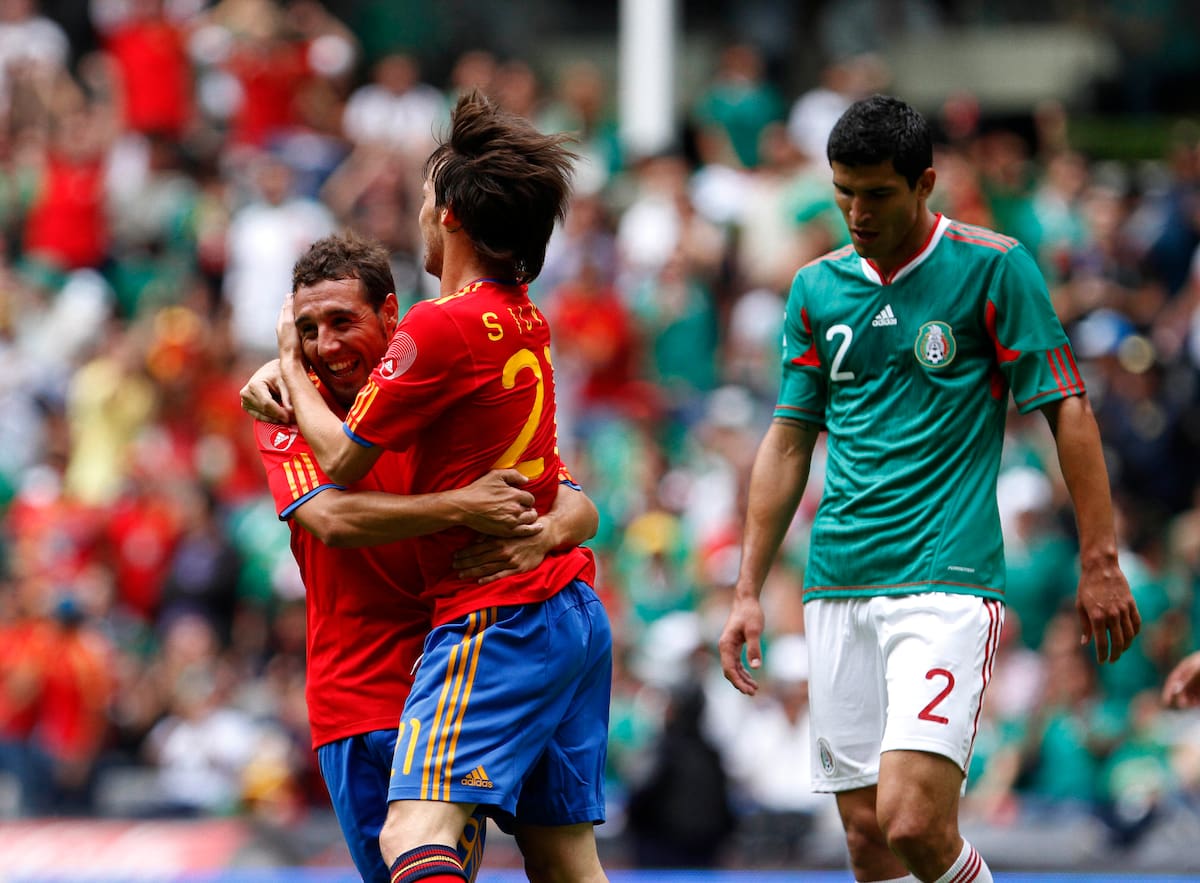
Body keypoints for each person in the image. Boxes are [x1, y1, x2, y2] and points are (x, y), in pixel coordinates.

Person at [717, 94, 1142, 883]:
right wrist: (747, 586)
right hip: (836, 579)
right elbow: (787, 439)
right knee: (866, 841)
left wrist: (1100, 556)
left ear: (926, 184)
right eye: (844, 191)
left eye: (876, 194)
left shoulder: (993, 266)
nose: (856, 212)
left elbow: (1068, 411)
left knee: (912, 820)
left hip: (945, 579)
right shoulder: (816, 288)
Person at [274, 92, 611, 883]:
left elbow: (344, 470)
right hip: (571, 611)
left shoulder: (438, 325)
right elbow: (571, 495)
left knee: (413, 831)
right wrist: (546, 529)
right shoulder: (525, 318)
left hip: (495, 621)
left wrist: (288, 367)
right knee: (567, 863)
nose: (420, 214)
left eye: (427, 199)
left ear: (453, 215)